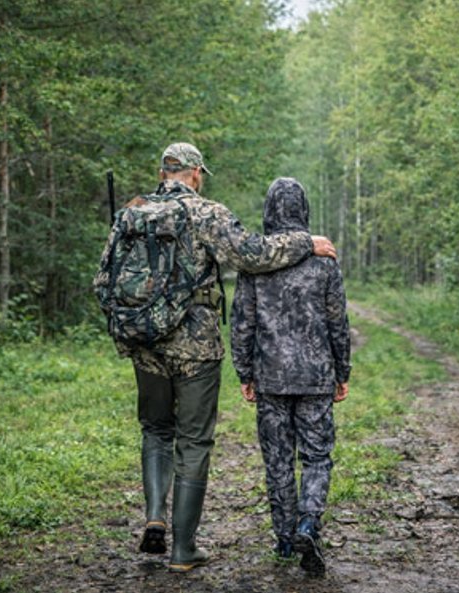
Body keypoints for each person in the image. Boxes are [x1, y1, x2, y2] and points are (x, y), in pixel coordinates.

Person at [93, 143, 336, 572]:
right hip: (195, 348)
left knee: (154, 428)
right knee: (193, 440)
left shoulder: (130, 213)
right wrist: (304, 243)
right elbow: (252, 255)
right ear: (194, 174)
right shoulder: (207, 213)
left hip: (144, 343)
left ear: (163, 171)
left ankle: (154, 516)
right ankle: (183, 549)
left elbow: (102, 281)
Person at [230, 177, 351, 576]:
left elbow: (242, 323)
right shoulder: (324, 261)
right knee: (317, 456)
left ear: (268, 210)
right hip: (316, 376)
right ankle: (307, 523)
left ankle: (284, 539)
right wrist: (342, 370)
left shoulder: (256, 264)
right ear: (303, 208)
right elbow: (338, 322)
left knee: (278, 460)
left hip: (270, 377)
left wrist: (244, 371)